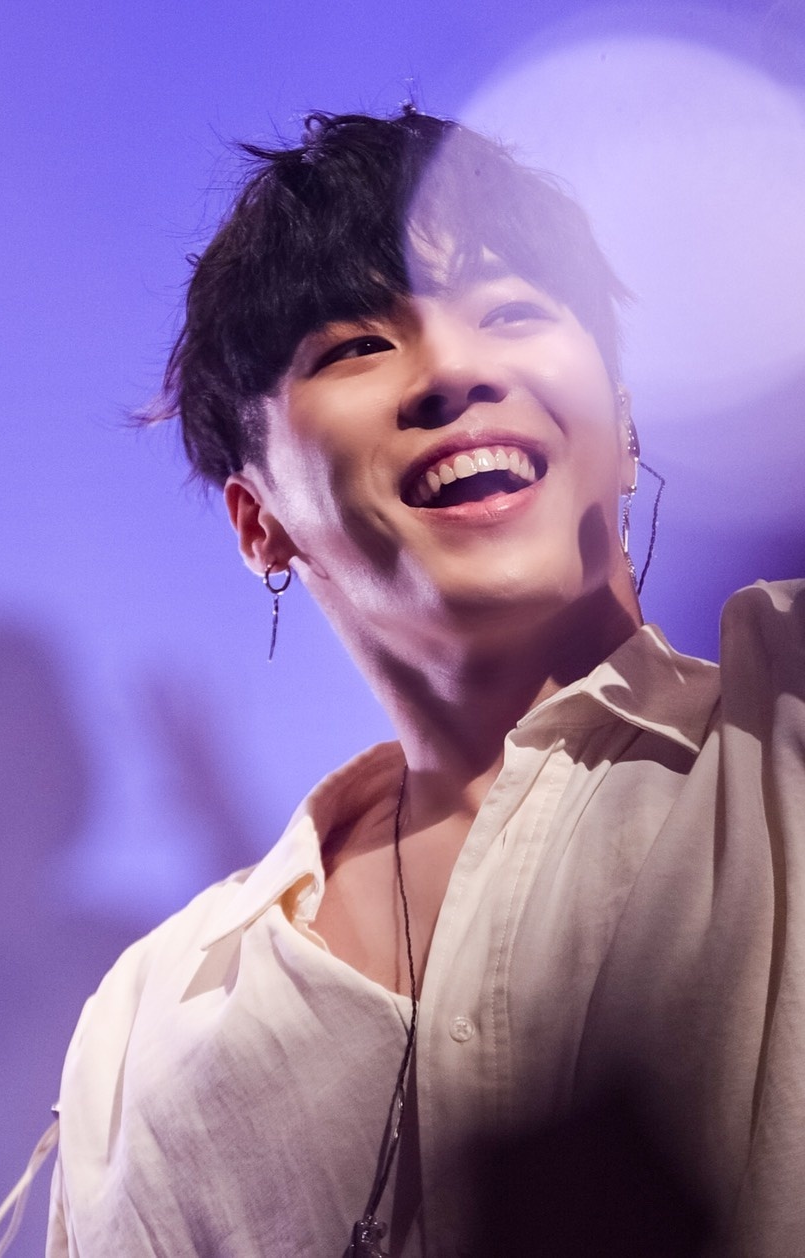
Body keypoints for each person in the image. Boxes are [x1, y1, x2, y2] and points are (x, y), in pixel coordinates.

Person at [44, 108, 804, 1256]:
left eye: (513, 312)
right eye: (356, 346)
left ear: (625, 425)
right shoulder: (155, 1022)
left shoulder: (782, 729)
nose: (455, 371)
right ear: (257, 521)